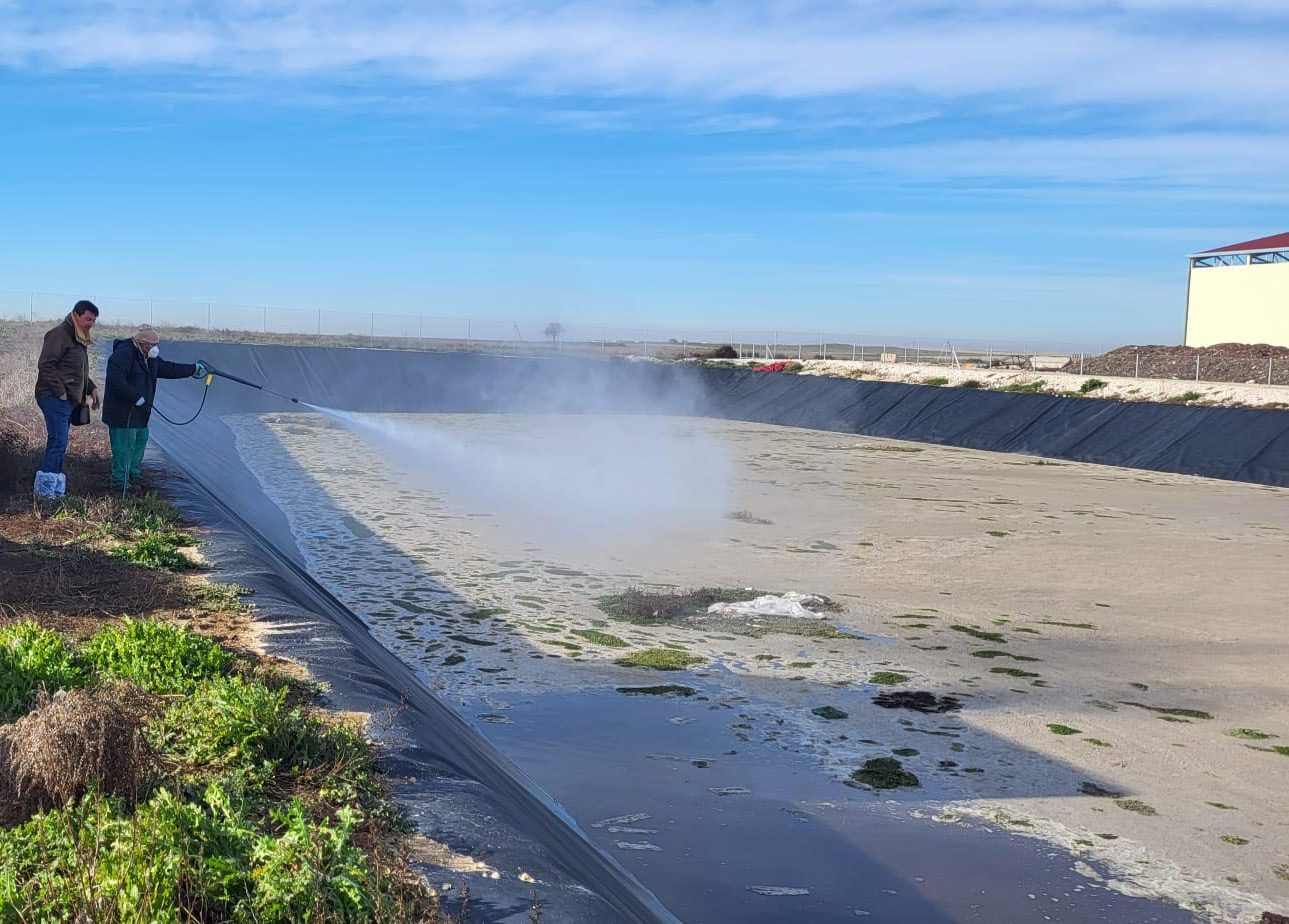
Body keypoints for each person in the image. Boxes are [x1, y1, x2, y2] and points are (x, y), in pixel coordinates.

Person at [102, 325, 206, 491]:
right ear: (142, 344)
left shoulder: (149, 358)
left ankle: (132, 477)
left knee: (139, 443)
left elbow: (168, 368)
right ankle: (119, 486)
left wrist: (192, 369)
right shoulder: (122, 355)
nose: (155, 348)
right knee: (123, 451)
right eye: (152, 345)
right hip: (123, 415)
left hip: (141, 415)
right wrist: (134, 396)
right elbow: (116, 381)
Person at [34, 300, 101, 498]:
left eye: (94, 320)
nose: (91, 324)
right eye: (88, 319)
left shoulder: (78, 337)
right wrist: (60, 392)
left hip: (66, 399)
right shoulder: (60, 334)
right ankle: (45, 493)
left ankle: (53, 489)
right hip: (54, 397)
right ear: (76, 315)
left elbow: (76, 370)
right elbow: (46, 364)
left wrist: (92, 388)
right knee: (58, 441)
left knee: (60, 443)